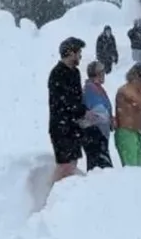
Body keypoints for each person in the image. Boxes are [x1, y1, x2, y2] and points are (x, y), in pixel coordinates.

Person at [48, 37, 93, 183]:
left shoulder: (75, 72)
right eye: (78, 52)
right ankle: (52, 195)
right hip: (61, 127)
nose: (80, 55)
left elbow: (77, 98)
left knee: (72, 163)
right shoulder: (57, 74)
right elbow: (64, 101)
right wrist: (82, 111)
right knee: (65, 166)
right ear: (69, 52)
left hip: (74, 125)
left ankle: (65, 194)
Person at [82, 60, 114, 171]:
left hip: (100, 133)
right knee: (100, 168)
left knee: (100, 167)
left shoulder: (97, 88)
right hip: (95, 134)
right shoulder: (91, 89)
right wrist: (109, 119)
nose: (104, 74)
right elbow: (98, 112)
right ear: (97, 74)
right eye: (102, 72)